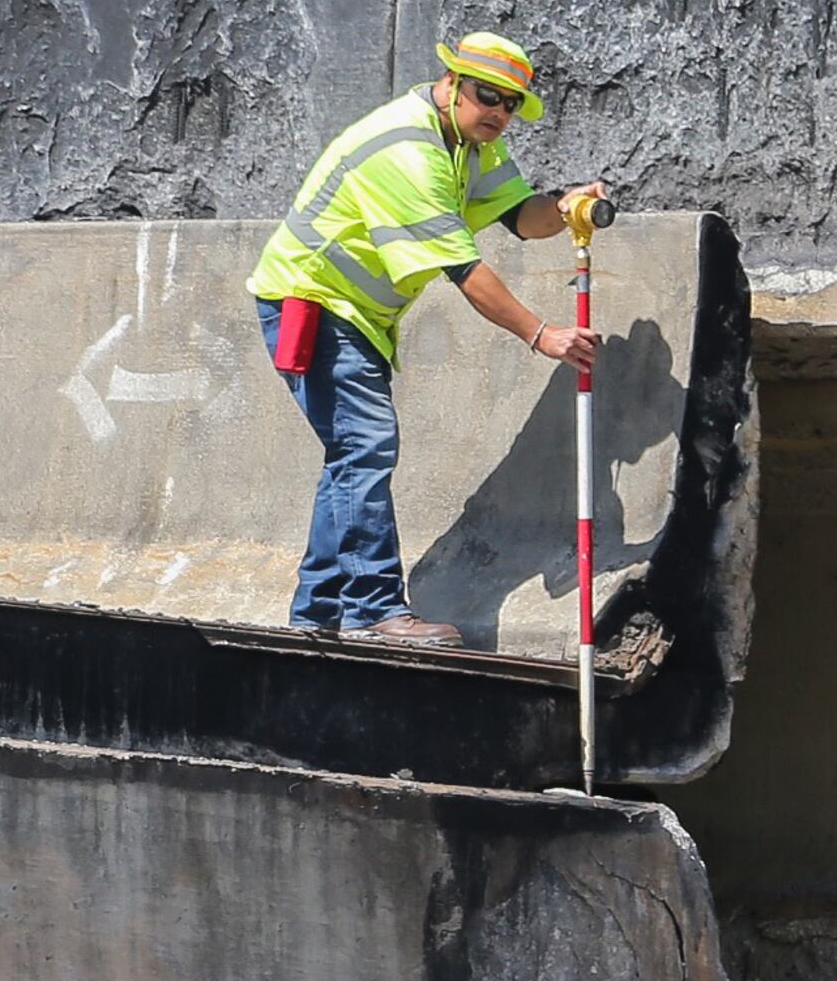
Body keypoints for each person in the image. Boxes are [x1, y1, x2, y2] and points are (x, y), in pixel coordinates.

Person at [246, 32, 605, 646]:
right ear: (452, 84)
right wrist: (540, 333)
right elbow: (464, 269)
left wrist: (565, 206)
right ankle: (372, 612)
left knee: (351, 457)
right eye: (488, 95)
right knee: (366, 446)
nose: (498, 112)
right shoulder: (408, 150)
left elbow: (522, 218)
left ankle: (318, 614)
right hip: (313, 304)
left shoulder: (470, 145)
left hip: (354, 316)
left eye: (511, 103)